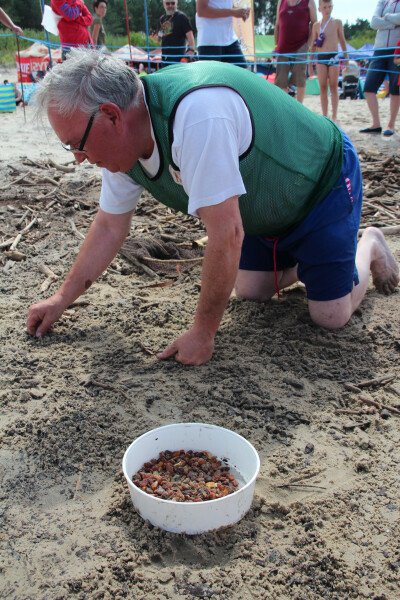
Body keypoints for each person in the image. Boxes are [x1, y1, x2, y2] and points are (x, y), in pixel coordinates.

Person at [26, 49, 399, 366]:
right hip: (262, 210)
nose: (78, 159)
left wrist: (203, 333)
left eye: (77, 145)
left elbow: (226, 233)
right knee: (251, 291)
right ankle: (311, 262)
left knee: (330, 316)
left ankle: (368, 247)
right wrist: (62, 299)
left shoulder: (195, 115)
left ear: (111, 115)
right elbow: (109, 227)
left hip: (320, 185)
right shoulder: (119, 148)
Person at [360, 0, 400, 137]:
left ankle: (391, 125)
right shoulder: (383, 1)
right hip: (379, 49)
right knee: (368, 87)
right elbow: (373, 22)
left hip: (397, 50)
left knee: (395, 88)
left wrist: (386, 17)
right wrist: (394, 23)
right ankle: (376, 123)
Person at [310, 0, 347, 122]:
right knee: (322, 86)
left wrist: (346, 57)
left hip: (333, 56)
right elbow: (313, 45)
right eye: (325, 7)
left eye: (329, 6)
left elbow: (342, 40)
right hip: (321, 57)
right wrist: (310, 63)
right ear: (319, 9)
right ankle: (325, 115)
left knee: (334, 86)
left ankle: (335, 115)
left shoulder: (337, 22)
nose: (327, 9)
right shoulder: (316, 25)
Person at [274, 0, 317, 103]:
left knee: (300, 77)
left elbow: (315, 24)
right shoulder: (281, 2)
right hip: (283, 46)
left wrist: (309, 44)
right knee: (281, 81)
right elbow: (277, 25)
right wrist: (276, 45)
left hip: (301, 45)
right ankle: (284, 108)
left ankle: (299, 108)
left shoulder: (309, 2)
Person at [196, 0, 250, 67]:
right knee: (212, 77)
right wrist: (233, 12)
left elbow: (225, 6)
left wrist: (241, 11)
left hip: (230, 40)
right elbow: (202, 11)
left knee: (242, 75)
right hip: (210, 43)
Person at [158, 0, 195, 67]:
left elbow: (190, 35)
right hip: (164, 57)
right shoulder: (162, 18)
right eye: (168, 3)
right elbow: (160, 37)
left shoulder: (181, 17)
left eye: (173, 3)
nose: (170, 5)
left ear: (176, 4)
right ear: (164, 4)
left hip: (178, 57)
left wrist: (191, 51)